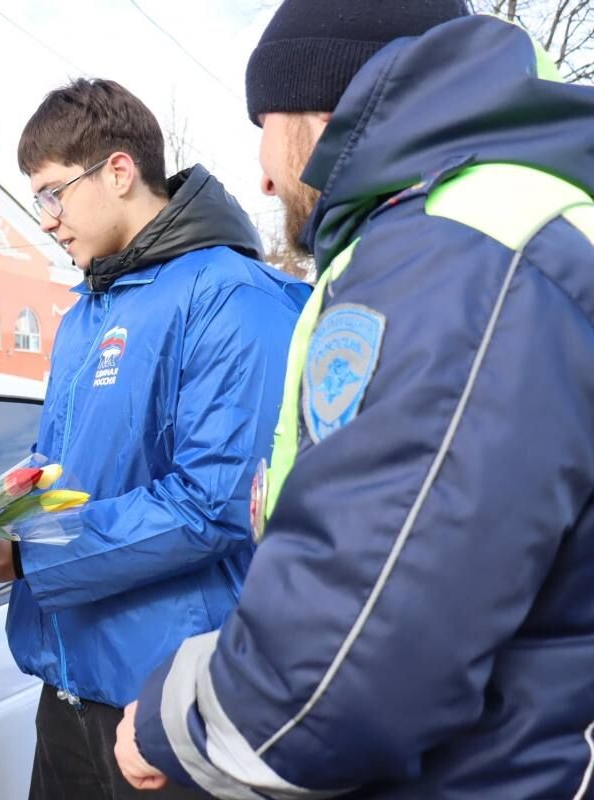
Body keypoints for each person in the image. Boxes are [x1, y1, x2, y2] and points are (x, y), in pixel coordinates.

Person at [116, 4, 594, 798]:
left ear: (323, 108)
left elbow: (330, 683)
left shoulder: (460, 257)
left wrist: (165, 719)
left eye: (264, 124)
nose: (263, 174)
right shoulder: (483, 230)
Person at [0, 78, 308, 799]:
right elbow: (49, 478)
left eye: (53, 193)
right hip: (67, 688)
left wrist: (23, 558)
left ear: (118, 171)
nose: (46, 220)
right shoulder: (87, 310)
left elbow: (214, 504)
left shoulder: (233, 297)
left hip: (169, 706)